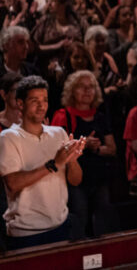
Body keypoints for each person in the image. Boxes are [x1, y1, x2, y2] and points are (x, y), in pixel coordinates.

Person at [0, 75, 86, 249]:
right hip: (27, 232)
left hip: (60, 225)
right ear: (20, 104)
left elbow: (76, 180)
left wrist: (73, 161)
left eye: (44, 100)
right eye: (34, 100)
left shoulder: (58, 133)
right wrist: (53, 164)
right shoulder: (9, 137)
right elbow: (13, 183)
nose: (41, 106)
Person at [51, 71, 119, 237]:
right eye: (82, 87)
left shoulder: (100, 116)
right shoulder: (63, 116)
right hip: (75, 180)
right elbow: (56, 149)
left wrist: (95, 148)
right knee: (79, 219)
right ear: (72, 90)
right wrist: (83, 145)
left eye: (91, 87)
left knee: (103, 221)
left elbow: (112, 149)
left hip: (99, 177)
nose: (87, 91)